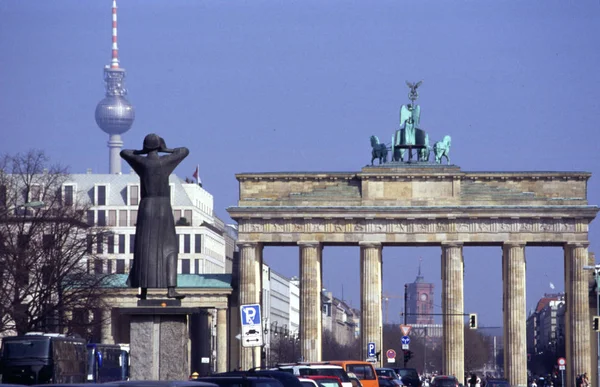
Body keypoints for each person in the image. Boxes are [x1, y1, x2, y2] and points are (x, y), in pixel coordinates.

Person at [121, 134, 190, 299]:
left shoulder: (142, 163)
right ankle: (171, 289)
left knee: (144, 248)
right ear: (159, 146)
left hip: (147, 206)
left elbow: (124, 152)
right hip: (163, 207)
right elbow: (184, 150)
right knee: (170, 247)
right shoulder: (165, 162)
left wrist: (141, 151)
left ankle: (143, 290)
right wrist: (166, 149)